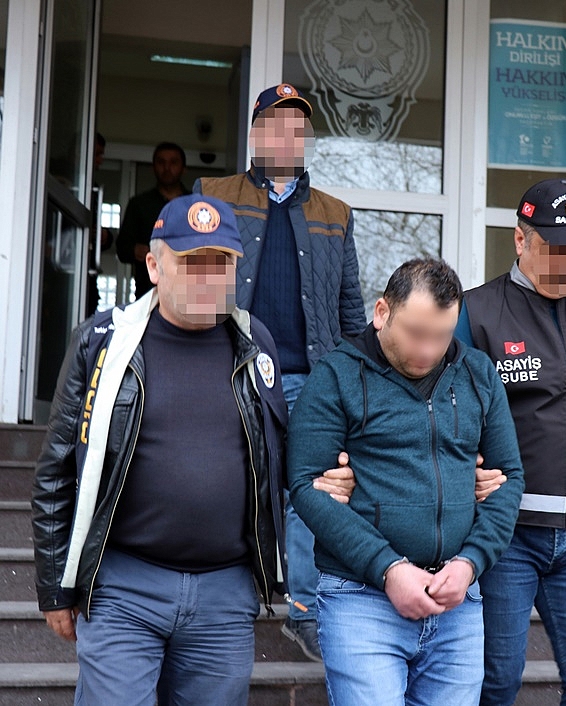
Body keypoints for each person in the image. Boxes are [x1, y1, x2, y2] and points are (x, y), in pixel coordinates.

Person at [31, 193, 354, 706]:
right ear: (154, 267)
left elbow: (280, 454)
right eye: (192, 263)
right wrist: (55, 587)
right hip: (123, 588)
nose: (209, 278)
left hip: (224, 597)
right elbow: (56, 471)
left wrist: (323, 476)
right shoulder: (103, 342)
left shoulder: (257, 342)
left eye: (221, 264)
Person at [287, 257, 525, 705]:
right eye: (415, 333)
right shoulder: (336, 375)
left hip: (457, 600)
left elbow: (509, 478)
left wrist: (471, 562)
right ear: (382, 312)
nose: (427, 351)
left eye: (441, 335)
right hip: (362, 598)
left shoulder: (478, 373)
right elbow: (306, 485)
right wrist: (388, 568)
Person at [194, 83, 367, 660]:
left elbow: (350, 312)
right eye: (275, 126)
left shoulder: (335, 214)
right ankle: (226, 596)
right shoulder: (213, 196)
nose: (287, 138)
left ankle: (303, 609)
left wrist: (357, 380)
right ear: (256, 134)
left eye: (297, 129)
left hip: (310, 379)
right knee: (231, 482)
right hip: (231, 368)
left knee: (309, 490)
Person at [456, 179, 566, 706]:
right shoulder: (476, 313)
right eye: (555, 248)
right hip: (505, 534)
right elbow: (445, 411)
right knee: (496, 683)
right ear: (520, 239)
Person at [116, 142, 189, 299]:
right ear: (153, 167)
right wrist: (135, 250)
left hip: (190, 290)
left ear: (183, 168)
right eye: (161, 162)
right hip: (148, 292)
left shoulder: (195, 205)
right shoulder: (139, 204)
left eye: (173, 162)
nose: (167, 168)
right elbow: (122, 249)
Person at [86, 132, 114, 316]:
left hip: (87, 276)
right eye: (96, 154)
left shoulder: (92, 188)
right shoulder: (64, 182)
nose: (100, 160)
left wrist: (104, 236)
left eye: (101, 154)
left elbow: (93, 231)